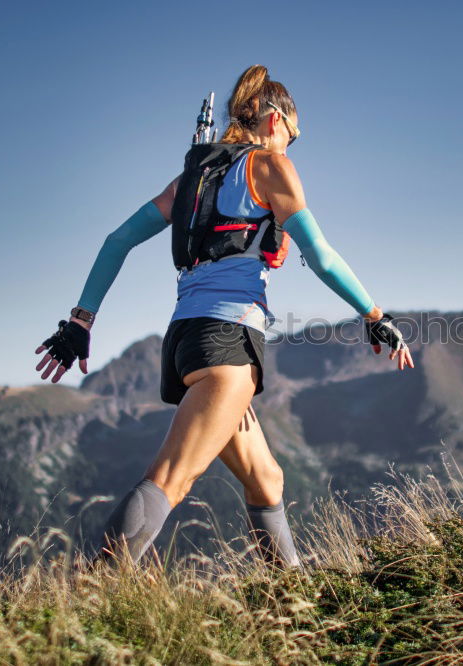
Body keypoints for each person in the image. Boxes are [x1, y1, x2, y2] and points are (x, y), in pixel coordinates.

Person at [33, 65, 413, 568]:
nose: (291, 147)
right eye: (293, 136)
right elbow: (319, 253)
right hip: (227, 340)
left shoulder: (192, 178)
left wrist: (81, 321)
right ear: (274, 119)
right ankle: (91, 595)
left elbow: (116, 241)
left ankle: (292, 601)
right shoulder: (271, 167)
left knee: (267, 477)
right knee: (172, 478)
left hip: (186, 340)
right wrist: (374, 314)